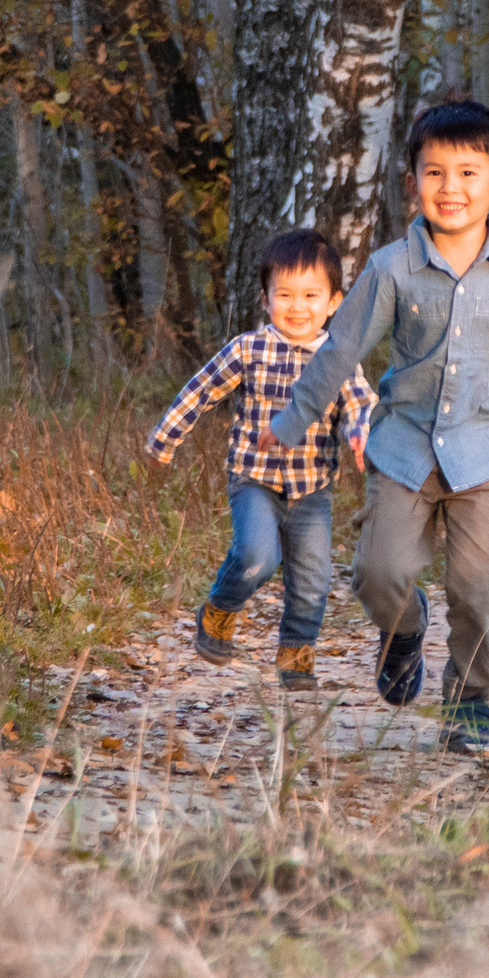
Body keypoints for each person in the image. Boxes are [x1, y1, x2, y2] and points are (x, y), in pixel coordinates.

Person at [272, 100, 489, 755]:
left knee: (477, 585)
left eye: (468, 173)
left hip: (488, 449)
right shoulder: (391, 268)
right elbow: (340, 349)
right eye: (434, 172)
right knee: (378, 570)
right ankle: (404, 628)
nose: (450, 188)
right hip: (403, 446)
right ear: (411, 182)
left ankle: (468, 702)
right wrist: (296, 417)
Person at [145, 229, 377, 692]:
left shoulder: (339, 360)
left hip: (312, 489)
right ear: (265, 299)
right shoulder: (248, 348)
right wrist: (165, 439)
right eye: (284, 295)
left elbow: (360, 402)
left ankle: (296, 653)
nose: (297, 307)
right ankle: (219, 611)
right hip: (254, 479)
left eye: (311, 295)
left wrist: (360, 431)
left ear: (333, 302)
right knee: (256, 557)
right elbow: (201, 390)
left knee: (313, 579)